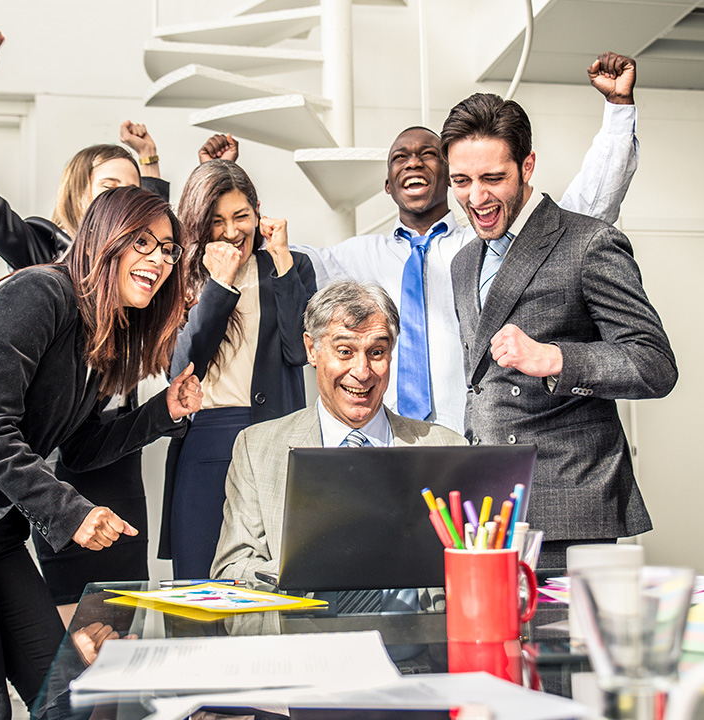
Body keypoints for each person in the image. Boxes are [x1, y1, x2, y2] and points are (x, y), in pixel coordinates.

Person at [0, 187, 203, 719]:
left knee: (63, 699)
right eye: (143, 242)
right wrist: (73, 513)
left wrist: (164, 411)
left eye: (167, 249)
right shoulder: (38, 292)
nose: (160, 259)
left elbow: (82, 448)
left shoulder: (102, 333)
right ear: (105, 238)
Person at [0, 25, 172, 620]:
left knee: (121, 623)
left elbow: (152, 243)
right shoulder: (43, 257)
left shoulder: (142, 275)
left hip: (110, 445)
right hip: (51, 462)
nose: (128, 206)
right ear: (80, 197)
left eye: (137, 194)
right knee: (71, 633)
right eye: (112, 191)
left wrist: (153, 163)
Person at [297, 52, 641, 434]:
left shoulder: (492, 242)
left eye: (428, 154)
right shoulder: (356, 256)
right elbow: (283, 256)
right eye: (400, 157)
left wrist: (617, 113)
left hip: (474, 440)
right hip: (388, 440)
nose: (413, 162)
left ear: (447, 176)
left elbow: (586, 208)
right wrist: (223, 187)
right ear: (387, 184)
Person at [441, 92, 677, 568]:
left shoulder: (588, 241)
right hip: (487, 509)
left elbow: (654, 364)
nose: (476, 197)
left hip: (568, 503)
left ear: (527, 166)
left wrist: (555, 358)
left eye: (493, 178)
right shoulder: (464, 261)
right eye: (461, 181)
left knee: (559, 644)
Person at [211, 280, 464, 583]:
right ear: (312, 350)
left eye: (377, 352)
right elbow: (232, 570)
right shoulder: (257, 448)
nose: (362, 371)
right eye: (345, 351)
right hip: (306, 628)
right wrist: (312, 566)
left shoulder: (448, 448)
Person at [160, 160, 317, 579]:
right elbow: (181, 369)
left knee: (275, 580)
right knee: (199, 582)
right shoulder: (180, 277)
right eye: (217, 221)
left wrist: (281, 257)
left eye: (241, 216)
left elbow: (299, 350)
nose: (232, 231)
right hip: (208, 441)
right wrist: (219, 284)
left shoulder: (292, 266)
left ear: (259, 211)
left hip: (277, 436)